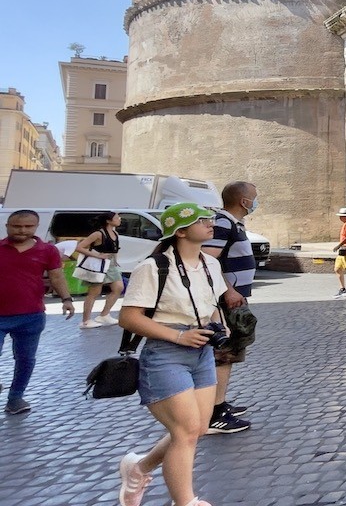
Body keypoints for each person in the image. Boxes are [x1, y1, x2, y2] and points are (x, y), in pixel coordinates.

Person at [117, 203, 229, 506]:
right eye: (201, 221)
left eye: (209, 219)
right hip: (166, 353)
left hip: (202, 351)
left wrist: (221, 325)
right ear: (179, 231)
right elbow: (128, 318)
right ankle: (186, 501)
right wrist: (179, 336)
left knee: (197, 429)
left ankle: (139, 468)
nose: (210, 224)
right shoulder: (153, 267)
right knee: (186, 431)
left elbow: (212, 303)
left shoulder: (210, 263)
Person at [1, 210, 75, 415]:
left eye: (28, 226)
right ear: (7, 226)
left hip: (31, 315)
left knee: (25, 359)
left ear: (36, 227)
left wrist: (67, 299)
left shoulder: (47, 250)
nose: (22, 230)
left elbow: (57, 276)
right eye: (17, 226)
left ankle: (15, 398)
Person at [200, 181, 257, 435]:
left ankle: (219, 403)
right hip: (226, 300)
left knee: (230, 354)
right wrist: (228, 290)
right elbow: (208, 260)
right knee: (224, 354)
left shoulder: (233, 223)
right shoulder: (224, 223)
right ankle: (215, 414)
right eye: (254, 197)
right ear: (244, 201)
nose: (256, 201)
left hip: (232, 298)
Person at [72, 211, 125, 329]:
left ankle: (104, 314)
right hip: (98, 265)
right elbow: (79, 247)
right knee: (94, 292)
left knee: (118, 287)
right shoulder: (98, 234)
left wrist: (115, 260)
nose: (119, 219)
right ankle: (86, 321)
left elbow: (115, 249)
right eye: (117, 217)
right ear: (108, 221)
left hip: (110, 264)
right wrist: (97, 255)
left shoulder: (115, 233)